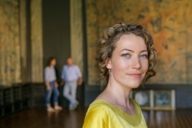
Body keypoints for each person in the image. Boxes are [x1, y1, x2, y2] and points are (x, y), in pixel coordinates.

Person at [83, 23, 156, 128]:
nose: (137, 65)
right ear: (108, 61)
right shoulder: (100, 112)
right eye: (126, 55)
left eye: (143, 55)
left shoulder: (134, 106)